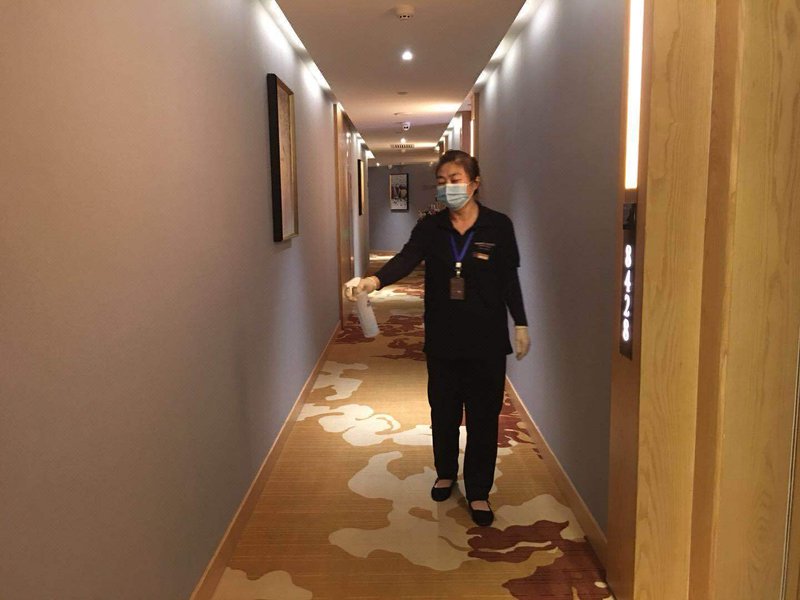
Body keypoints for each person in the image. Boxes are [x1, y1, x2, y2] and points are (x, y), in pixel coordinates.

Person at [345, 150, 529, 527]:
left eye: (455, 180)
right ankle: (445, 472)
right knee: (443, 412)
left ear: (474, 183)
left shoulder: (498, 226)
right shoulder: (431, 227)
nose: (448, 187)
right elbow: (406, 258)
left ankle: (478, 490)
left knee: (483, 418)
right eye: (442, 182)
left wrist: (521, 323)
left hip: (487, 339)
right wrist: (373, 281)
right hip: (444, 336)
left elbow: (509, 278)